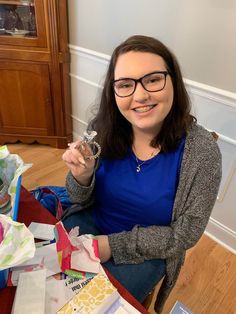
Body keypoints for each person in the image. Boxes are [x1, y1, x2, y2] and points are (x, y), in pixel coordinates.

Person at [61, 35, 222, 313]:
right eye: (125, 85)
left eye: (153, 79)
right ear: (114, 91)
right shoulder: (100, 128)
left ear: (173, 80)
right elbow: (76, 197)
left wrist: (112, 245)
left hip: (148, 252)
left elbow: (185, 235)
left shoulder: (202, 152)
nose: (140, 95)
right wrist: (82, 176)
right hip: (92, 225)